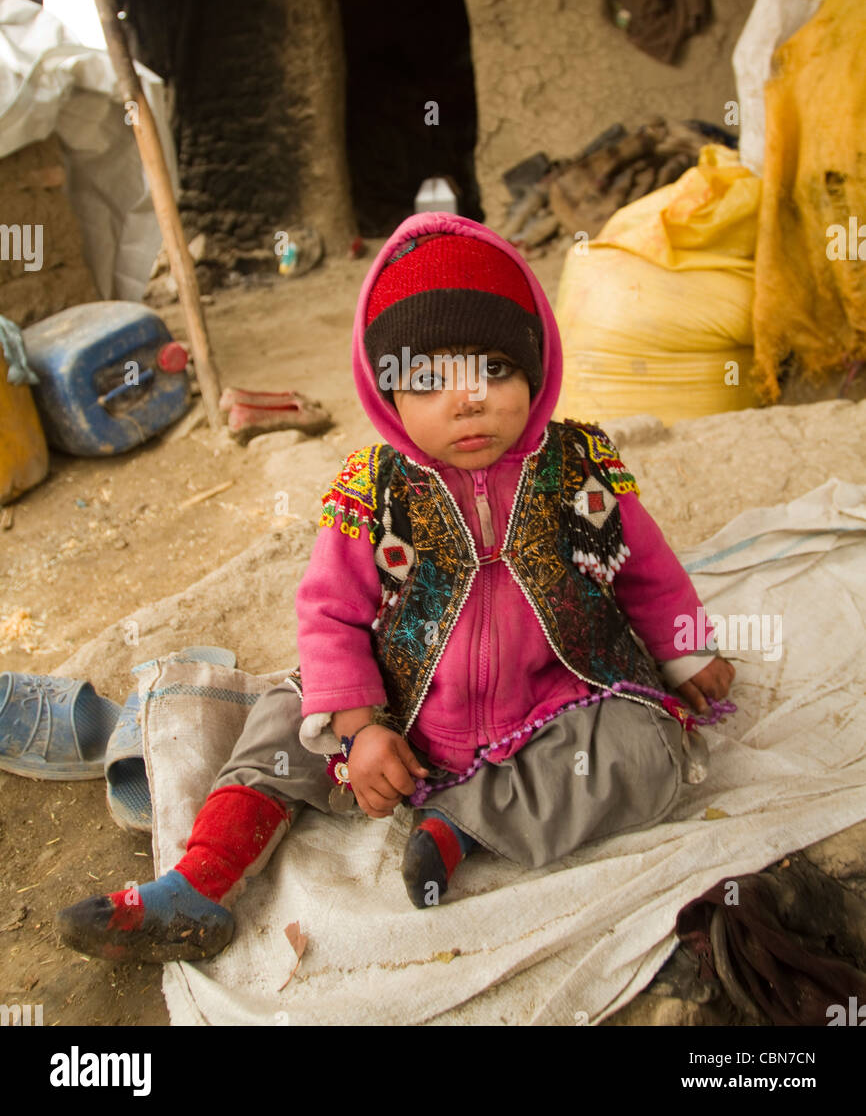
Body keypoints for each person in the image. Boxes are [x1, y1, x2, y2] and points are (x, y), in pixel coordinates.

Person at [57, 213, 734, 963]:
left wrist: (685, 649)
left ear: (537, 369)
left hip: (555, 706)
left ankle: (458, 827)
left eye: (494, 370)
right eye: (428, 380)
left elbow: (646, 568)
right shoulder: (372, 489)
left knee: (648, 750)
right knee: (287, 714)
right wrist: (357, 726)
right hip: (400, 711)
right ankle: (199, 881)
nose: (466, 400)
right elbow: (328, 614)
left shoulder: (580, 463)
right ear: (387, 395)